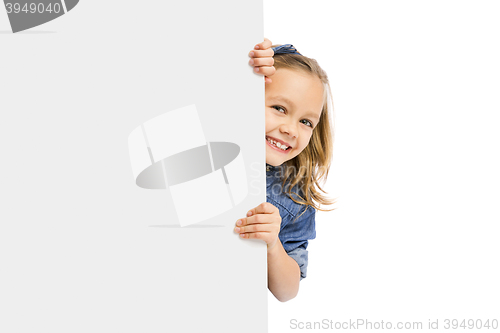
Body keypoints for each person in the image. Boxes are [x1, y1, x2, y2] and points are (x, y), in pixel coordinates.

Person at [233, 38, 336, 302]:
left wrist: (272, 245)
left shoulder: (296, 197)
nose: (291, 129)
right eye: (279, 108)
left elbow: (288, 291)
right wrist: (242, 65)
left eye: (305, 121)